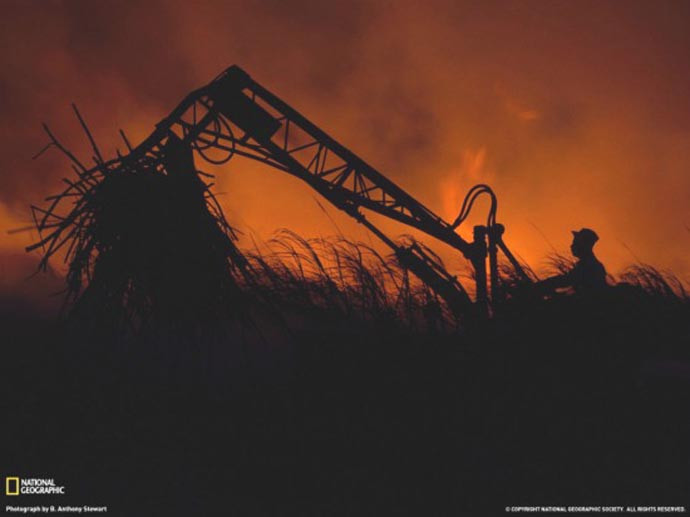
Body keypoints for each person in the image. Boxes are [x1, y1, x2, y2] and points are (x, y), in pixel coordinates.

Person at [537, 228, 607, 293]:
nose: (571, 246)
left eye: (575, 243)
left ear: (584, 245)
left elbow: (566, 280)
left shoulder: (589, 265)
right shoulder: (591, 263)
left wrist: (542, 286)